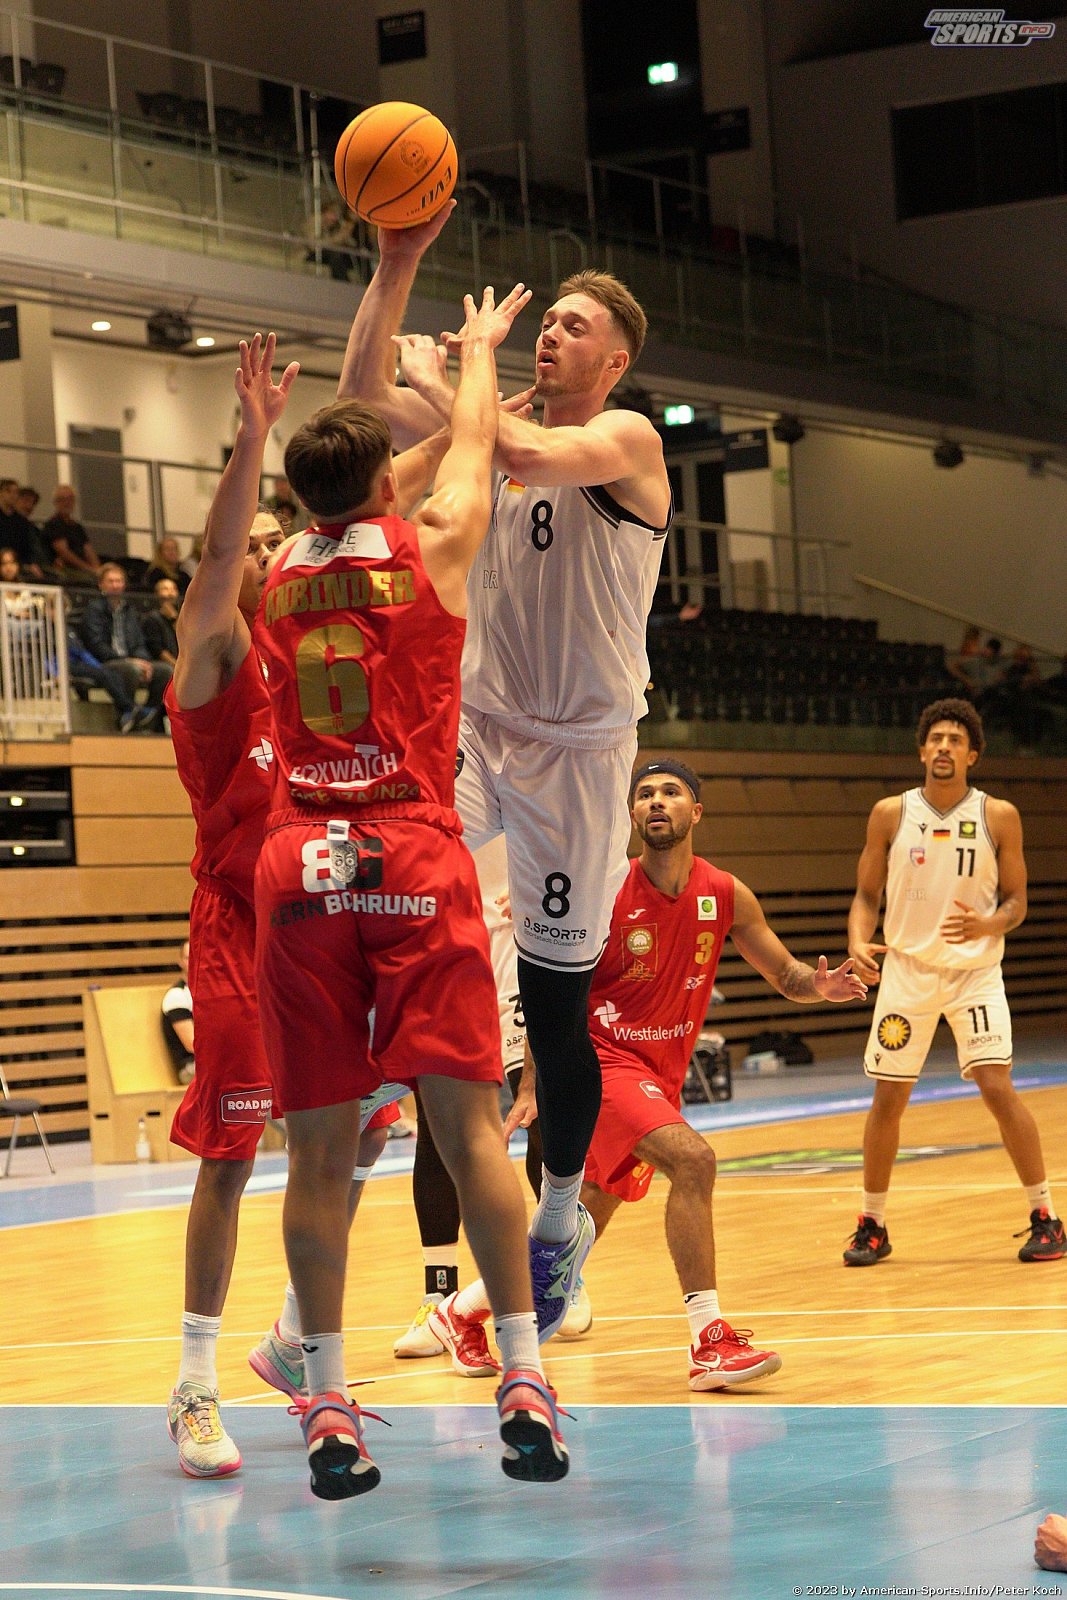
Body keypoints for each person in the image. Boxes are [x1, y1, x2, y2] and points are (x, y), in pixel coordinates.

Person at [253, 283, 570, 1497]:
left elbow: (380, 480)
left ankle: (327, 1400)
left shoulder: (277, 573)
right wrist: (477, 355)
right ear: (384, 484)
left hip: (302, 860)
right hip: (409, 844)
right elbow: (475, 450)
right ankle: (522, 1374)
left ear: (303, 499)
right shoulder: (427, 545)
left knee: (318, 1154)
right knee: (470, 1127)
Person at [342, 201, 674, 1343]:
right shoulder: (497, 416)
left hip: (578, 756)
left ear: (614, 361)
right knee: (384, 889)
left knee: (556, 1006)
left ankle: (561, 1220)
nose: (551, 335)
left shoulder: (627, 439)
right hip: (477, 728)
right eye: (548, 322)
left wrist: (462, 382)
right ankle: (377, 1090)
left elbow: (518, 454)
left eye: (574, 326)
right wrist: (396, 261)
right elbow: (359, 408)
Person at [164, 333, 404, 1480]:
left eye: (279, 535)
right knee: (230, 1155)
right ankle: (193, 1384)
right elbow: (220, 554)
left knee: (371, 1121)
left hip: (323, 923)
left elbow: (367, 490)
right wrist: (253, 436)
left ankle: (295, 1339)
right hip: (237, 934)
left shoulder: (318, 643)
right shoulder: (216, 656)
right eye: (255, 543)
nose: (269, 549)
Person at [430, 758, 866, 1391]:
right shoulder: (603, 890)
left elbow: (786, 974)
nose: (656, 801)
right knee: (694, 1161)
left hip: (659, 1076)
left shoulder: (727, 893)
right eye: (645, 794)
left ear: (697, 811)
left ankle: (461, 1311)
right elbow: (554, 992)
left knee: (579, 1227)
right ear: (630, 814)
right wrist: (532, 1080)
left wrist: (818, 986)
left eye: (671, 792)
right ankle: (709, 1341)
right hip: (601, 1062)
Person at [845, 696, 1064, 1267]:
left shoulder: (999, 815)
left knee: (997, 1087)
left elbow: (1016, 902)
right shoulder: (890, 813)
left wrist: (989, 923)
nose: (944, 747)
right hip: (907, 972)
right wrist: (857, 941)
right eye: (936, 739)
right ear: (922, 751)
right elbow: (866, 895)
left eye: (956, 740)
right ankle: (872, 1224)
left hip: (975, 974)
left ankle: (1046, 1215)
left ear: (973, 755)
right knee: (888, 1098)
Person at [394, 834, 544, 1366]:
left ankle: (553, 1274)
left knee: (539, 1107)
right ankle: (438, 1295)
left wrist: (546, 887)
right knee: (436, 1120)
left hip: (515, 930)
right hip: (439, 937)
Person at [78, 564, 172, 731]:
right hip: (106, 662)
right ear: (101, 584)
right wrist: (129, 661)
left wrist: (144, 661)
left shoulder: (130, 610)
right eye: (111, 581)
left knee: (165, 671)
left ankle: (149, 716)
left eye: (119, 581)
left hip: (132, 660)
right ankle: (126, 714)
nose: (115, 585)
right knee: (131, 670)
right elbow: (97, 645)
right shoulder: (94, 610)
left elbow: (139, 642)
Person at [41, 484, 100, 580]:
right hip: (66, 570)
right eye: (62, 499)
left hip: (83, 569)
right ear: (55, 502)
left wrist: (98, 569)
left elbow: (88, 550)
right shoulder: (54, 524)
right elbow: (64, 553)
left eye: (70, 499)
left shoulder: (77, 527)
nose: (67, 503)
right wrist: (89, 569)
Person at [161, 939, 195, 1085]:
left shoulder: (210, 993)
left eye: (197, 957)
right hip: (190, 1067)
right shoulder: (177, 995)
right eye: (188, 958)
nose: (193, 962)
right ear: (180, 962)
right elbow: (192, 1044)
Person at [0, 477, 45, 576]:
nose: (13, 495)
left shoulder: (22, 522)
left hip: (20, 565)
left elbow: (28, 547)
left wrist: (31, 563)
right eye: (8, 491)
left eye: (16, 492)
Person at [143, 577, 181, 666]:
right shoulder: (151, 618)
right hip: (161, 662)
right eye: (165, 589)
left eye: (174, 589)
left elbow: (184, 639)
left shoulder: (180, 616)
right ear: (157, 594)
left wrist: (174, 618)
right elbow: (157, 649)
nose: (170, 593)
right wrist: (177, 666)